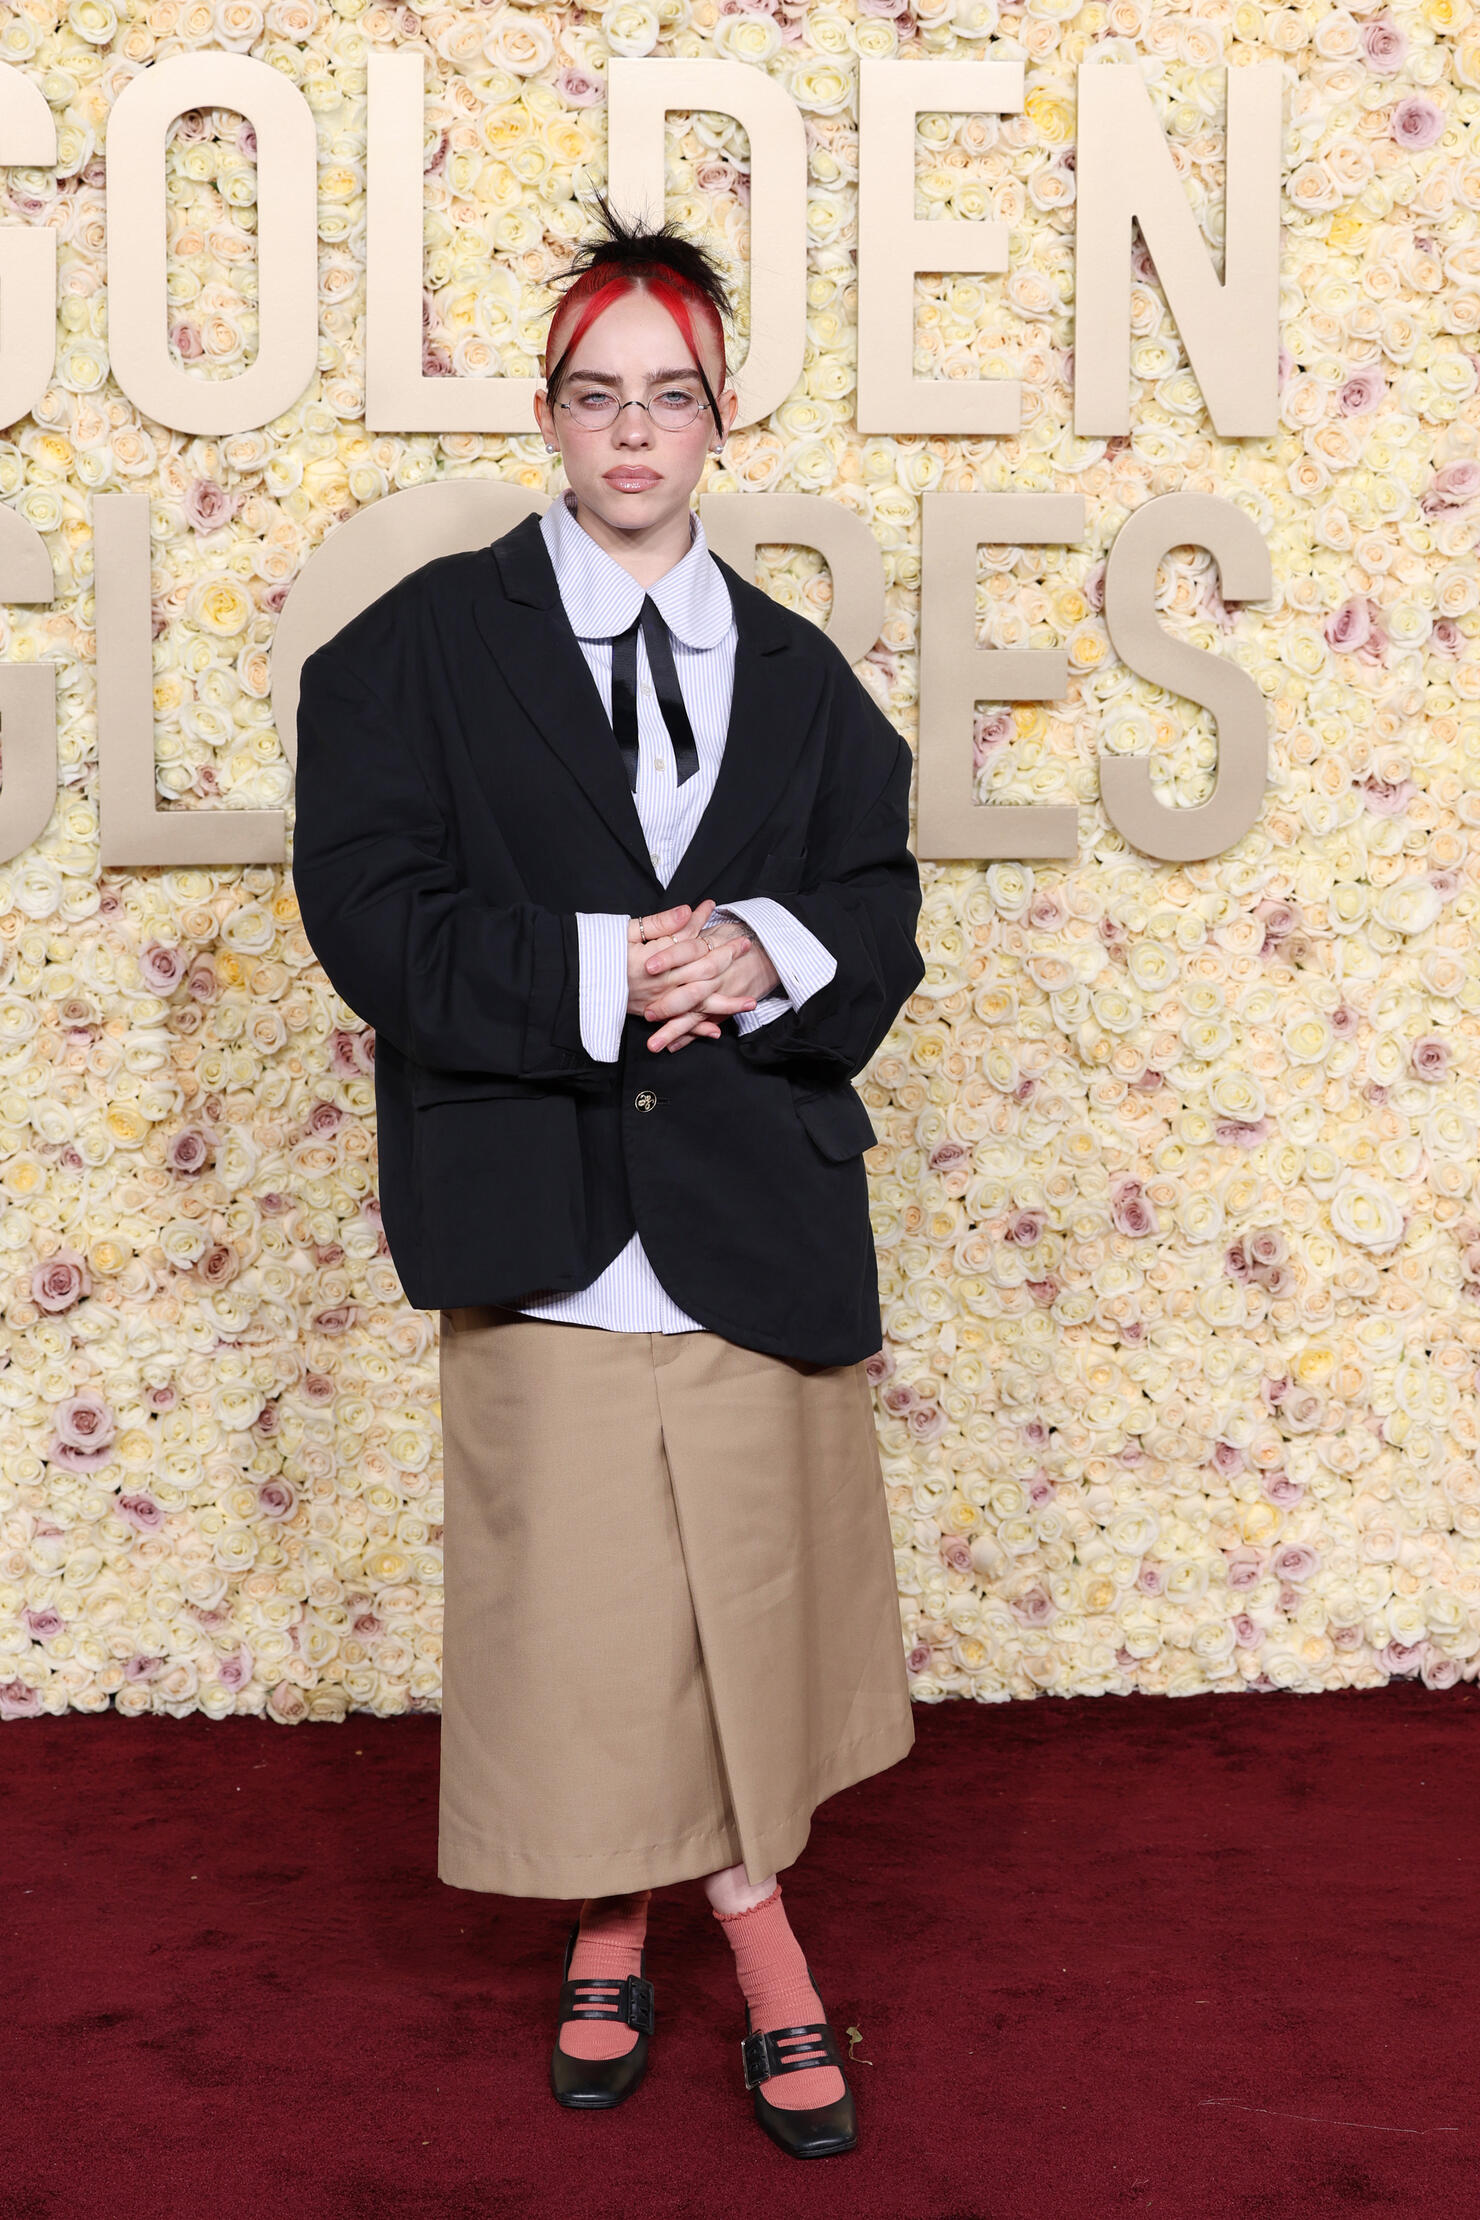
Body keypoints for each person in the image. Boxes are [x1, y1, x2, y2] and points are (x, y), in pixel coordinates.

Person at [291, 193, 925, 2161]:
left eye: (671, 397)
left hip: (752, 1214)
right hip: (540, 1218)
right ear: (546, 414)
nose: (633, 433)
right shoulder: (408, 655)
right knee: (585, 1619)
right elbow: (371, 923)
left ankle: (615, 1913)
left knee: (733, 1605)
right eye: (596, 396)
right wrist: (603, 968)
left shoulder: (804, 673)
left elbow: (874, 907)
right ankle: (758, 1945)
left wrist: (770, 952)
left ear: (719, 417)